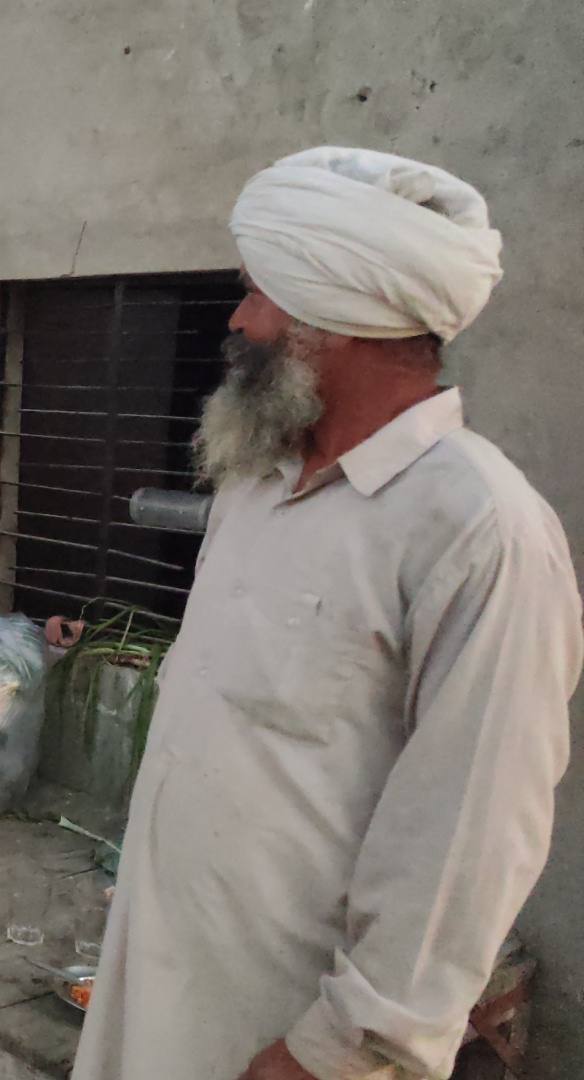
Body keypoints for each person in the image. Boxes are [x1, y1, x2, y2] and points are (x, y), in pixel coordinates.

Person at [72, 148, 583, 1080]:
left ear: (333, 322)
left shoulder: (480, 529)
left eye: (258, 294)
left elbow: (471, 833)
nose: (238, 319)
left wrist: (346, 1049)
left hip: (287, 1035)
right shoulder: (256, 484)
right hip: (161, 982)